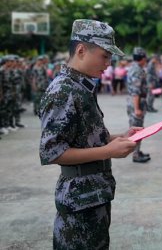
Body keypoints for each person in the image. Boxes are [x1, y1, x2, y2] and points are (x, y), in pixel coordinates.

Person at [39, 19, 139, 249]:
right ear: (81, 50)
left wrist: (119, 137)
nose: (109, 63)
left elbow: (86, 136)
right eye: (104, 56)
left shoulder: (81, 86)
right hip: (78, 202)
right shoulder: (63, 90)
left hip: (92, 195)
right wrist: (108, 151)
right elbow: (52, 151)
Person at [126, 47, 151, 163]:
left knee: (137, 128)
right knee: (137, 130)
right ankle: (135, 154)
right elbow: (136, 91)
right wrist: (137, 108)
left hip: (135, 102)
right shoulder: (137, 70)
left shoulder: (134, 68)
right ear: (142, 58)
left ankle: (137, 151)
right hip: (136, 103)